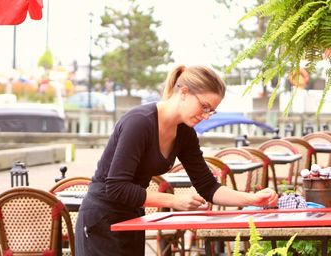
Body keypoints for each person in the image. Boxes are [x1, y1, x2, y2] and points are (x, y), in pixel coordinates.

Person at [75, 65, 278, 256]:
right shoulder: (139, 122)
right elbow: (116, 187)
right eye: (204, 106)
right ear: (184, 92)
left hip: (133, 217)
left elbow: (208, 187)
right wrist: (174, 201)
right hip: (101, 219)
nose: (206, 116)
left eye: (211, 111)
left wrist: (251, 199)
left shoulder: (185, 133)